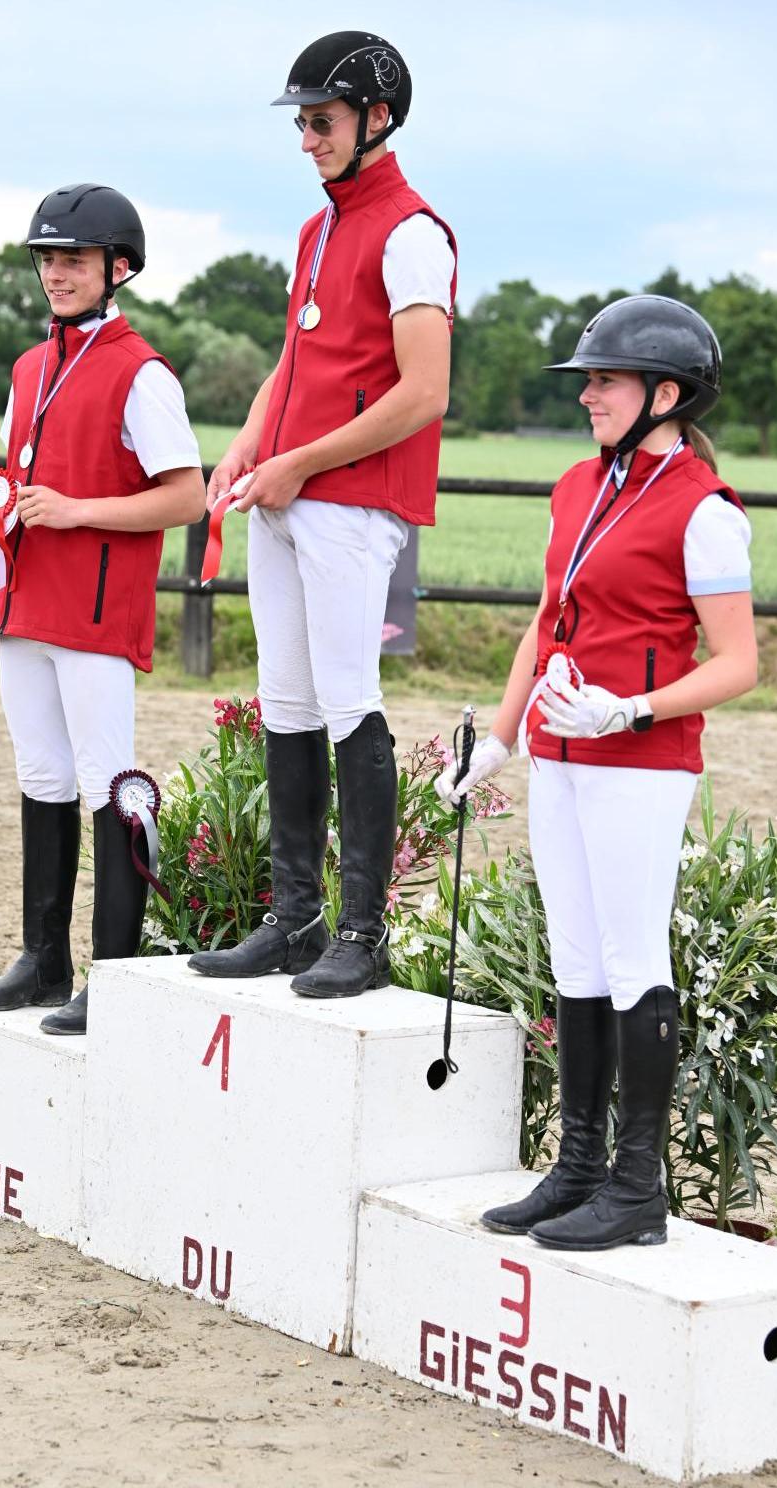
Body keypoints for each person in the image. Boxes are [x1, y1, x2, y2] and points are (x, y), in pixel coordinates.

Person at [436, 295, 758, 1251]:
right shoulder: (577, 486)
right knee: (573, 956)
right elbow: (546, 620)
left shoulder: (703, 512)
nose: (587, 396)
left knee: (629, 960)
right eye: (586, 381)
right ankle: (577, 1166)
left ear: (666, 392)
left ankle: (636, 1186)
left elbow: (737, 662)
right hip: (561, 751)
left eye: (604, 381)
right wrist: (499, 738)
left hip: (641, 760)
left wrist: (634, 707)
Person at [188, 31, 457, 998]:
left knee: (348, 703)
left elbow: (422, 393)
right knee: (288, 703)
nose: (306, 138)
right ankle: (294, 921)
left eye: (322, 121)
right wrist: (251, 437)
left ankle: (363, 932)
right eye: (302, 122)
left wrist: (298, 460)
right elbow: (296, 361)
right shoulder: (318, 230)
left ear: (376, 119)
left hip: (349, 502)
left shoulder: (412, 232)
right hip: (287, 491)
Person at [0, 183, 205, 1035]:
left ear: (117, 269)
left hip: (96, 611)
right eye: (47, 260)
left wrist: (78, 510)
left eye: (72, 260)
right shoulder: (30, 366)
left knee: (109, 784)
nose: (55, 275)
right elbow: (16, 470)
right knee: (41, 778)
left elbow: (186, 499)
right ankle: (42, 960)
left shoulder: (142, 375)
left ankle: (118, 977)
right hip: (24, 602)